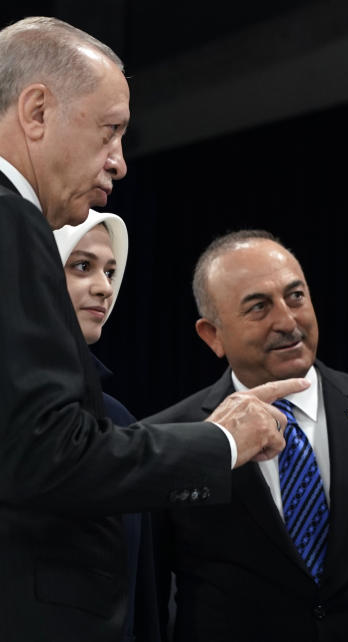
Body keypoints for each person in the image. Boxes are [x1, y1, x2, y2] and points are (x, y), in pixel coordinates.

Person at [0, 17, 304, 641]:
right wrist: (220, 444)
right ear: (36, 111)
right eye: (110, 130)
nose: (119, 161)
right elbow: (49, 455)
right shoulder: (11, 222)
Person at [146, 230, 348, 641]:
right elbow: (147, 599)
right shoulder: (170, 437)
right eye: (258, 307)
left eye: (296, 297)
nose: (288, 322)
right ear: (212, 335)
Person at [53, 211, 161, 642]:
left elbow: (140, 590)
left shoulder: (118, 418)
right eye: (82, 266)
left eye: (111, 271)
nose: (104, 287)